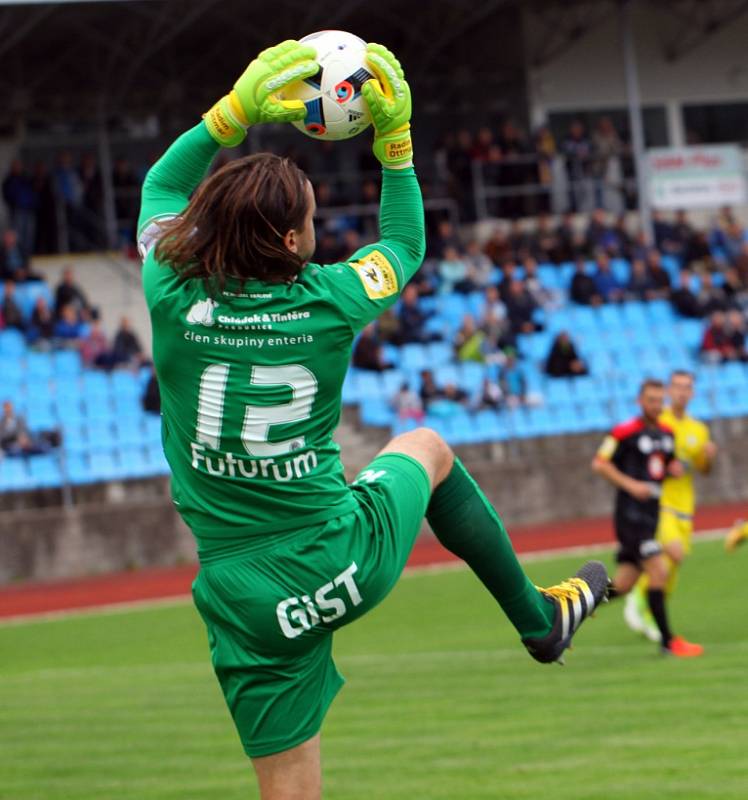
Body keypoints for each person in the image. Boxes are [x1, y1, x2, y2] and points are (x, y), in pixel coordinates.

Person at [138, 40, 609, 799]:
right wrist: (395, 145)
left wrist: (229, 115)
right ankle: (536, 622)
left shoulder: (168, 285)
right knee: (425, 445)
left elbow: (162, 184)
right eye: (314, 219)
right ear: (293, 242)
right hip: (342, 555)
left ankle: (538, 621)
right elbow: (404, 243)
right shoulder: (331, 303)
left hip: (241, 595)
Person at [591, 379, 703, 657]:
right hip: (630, 516)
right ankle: (668, 642)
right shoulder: (624, 431)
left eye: (659, 400)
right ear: (640, 401)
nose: (655, 405)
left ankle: (566, 609)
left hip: (651, 515)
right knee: (659, 571)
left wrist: (672, 469)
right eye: (650, 400)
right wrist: (631, 486)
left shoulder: (666, 434)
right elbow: (599, 464)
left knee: (625, 584)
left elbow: (660, 468)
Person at [623, 371, 716, 642]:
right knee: (672, 553)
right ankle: (638, 600)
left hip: (684, 506)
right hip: (658, 503)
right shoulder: (656, 422)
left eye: (687, 388)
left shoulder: (698, 429)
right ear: (669, 391)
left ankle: (652, 609)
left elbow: (703, 470)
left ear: (693, 393)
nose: (682, 392)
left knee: (675, 561)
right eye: (677, 387)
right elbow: (642, 461)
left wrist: (708, 458)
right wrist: (665, 467)